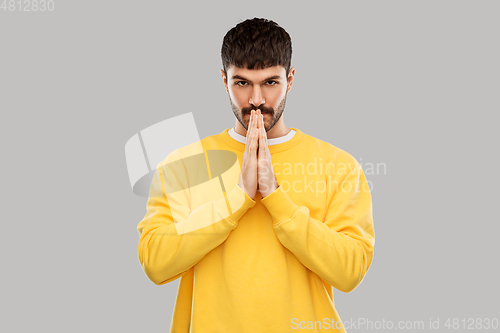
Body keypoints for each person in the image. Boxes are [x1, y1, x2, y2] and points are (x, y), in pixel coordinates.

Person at [137, 17, 375, 333]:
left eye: (270, 82)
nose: (257, 99)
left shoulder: (338, 165)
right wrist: (238, 199)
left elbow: (350, 272)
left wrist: (276, 198)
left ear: (290, 78)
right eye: (242, 82)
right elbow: (155, 263)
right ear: (224, 80)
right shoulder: (184, 163)